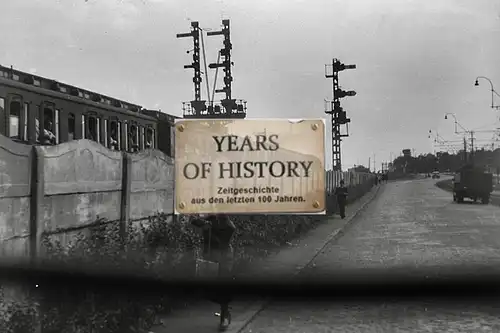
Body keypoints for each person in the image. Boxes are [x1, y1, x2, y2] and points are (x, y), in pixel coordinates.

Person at [191, 213, 236, 331]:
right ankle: (224, 313)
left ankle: (225, 315)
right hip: (210, 254)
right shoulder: (207, 216)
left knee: (223, 285)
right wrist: (202, 222)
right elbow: (192, 220)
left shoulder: (222, 218)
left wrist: (211, 227)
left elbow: (231, 229)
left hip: (223, 256)